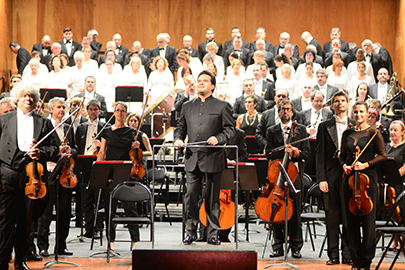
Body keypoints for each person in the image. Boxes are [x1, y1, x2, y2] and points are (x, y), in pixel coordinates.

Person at [0, 83, 59, 270]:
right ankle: (1, 261)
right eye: (24, 95)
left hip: (32, 177)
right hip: (7, 175)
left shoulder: (44, 122)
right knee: (5, 221)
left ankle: (20, 259)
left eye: (31, 96)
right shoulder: (3, 120)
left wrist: (41, 152)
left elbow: (55, 148)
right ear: (18, 98)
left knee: (26, 222)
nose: (28, 98)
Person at [174, 70, 235, 245]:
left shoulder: (222, 106)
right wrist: (178, 139)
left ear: (212, 86)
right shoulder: (187, 106)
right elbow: (180, 128)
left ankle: (213, 234)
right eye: (199, 80)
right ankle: (190, 232)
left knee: (212, 199)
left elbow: (230, 130)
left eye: (205, 81)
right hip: (193, 158)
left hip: (214, 157)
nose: (200, 83)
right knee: (191, 196)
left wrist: (219, 138)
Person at [339, 101, 386, 270]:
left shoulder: (374, 133)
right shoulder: (347, 133)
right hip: (350, 182)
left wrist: (366, 165)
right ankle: (355, 259)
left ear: (367, 114)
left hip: (368, 182)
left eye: (361, 112)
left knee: (368, 223)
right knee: (350, 223)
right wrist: (344, 165)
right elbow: (342, 156)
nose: (358, 115)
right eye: (356, 112)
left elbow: (382, 156)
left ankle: (366, 261)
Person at [266, 99, 311, 259]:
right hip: (277, 176)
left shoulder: (301, 130)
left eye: (288, 109)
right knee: (276, 211)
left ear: (292, 112)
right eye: (282, 109)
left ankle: (296, 247)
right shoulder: (272, 130)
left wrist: (296, 153)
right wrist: (282, 152)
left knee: (295, 212)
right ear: (278, 112)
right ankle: (277, 246)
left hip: (295, 176)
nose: (285, 112)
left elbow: (307, 153)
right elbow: (269, 153)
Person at [316, 90, 354, 266]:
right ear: (332, 105)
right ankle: (333, 255)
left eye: (342, 101)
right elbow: (320, 154)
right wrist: (322, 179)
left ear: (348, 104)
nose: (340, 104)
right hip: (331, 176)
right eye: (336, 101)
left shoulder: (354, 125)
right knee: (331, 217)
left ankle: (348, 254)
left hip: (350, 176)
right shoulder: (324, 126)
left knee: (348, 216)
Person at [37, 97, 77, 258]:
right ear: (51, 110)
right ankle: (42, 246)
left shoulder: (68, 127)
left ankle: (61, 245)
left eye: (63, 107)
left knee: (64, 212)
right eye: (58, 107)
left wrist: (70, 150)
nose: (62, 110)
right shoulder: (44, 126)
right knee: (45, 213)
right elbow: (41, 149)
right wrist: (57, 151)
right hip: (49, 173)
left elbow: (76, 149)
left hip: (65, 175)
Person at [97, 102, 140, 250]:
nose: (120, 113)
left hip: (126, 170)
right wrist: (98, 169)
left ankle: (135, 240)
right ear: (113, 113)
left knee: (130, 207)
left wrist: (136, 148)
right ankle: (111, 241)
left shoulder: (131, 132)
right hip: (110, 170)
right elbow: (102, 151)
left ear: (126, 113)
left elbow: (135, 156)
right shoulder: (106, 131)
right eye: (118, 110)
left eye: (123, 111)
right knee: (110, 208)